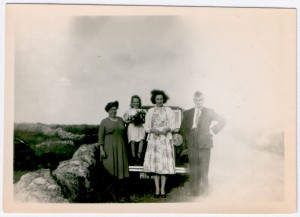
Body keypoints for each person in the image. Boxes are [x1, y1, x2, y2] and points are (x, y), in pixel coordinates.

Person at [180, 91, 226, 196]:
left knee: (204, 168)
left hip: (205, 142)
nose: (198, 102)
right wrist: (188, 138)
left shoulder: (209, 112)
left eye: (200, 100)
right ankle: (194, 193)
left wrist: (212, 130)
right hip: (192, 143)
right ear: (193, 100)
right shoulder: (188, 112)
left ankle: (205, 193)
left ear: (203, 100)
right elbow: (182, 128)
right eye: (196, 100)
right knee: (194, 167)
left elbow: (223, 120)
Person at [143, 89, 178, 198]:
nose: (159, 101)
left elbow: (175, 125)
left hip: (165, 140)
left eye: (161, 99)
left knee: (164, 166)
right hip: (154, 140)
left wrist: (168, 128)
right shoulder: (150, 111)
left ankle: (163, 189)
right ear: (154, 100)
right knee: (155, 166)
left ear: (164, 99)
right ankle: (156, 189)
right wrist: (152, 130)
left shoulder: (168, 110)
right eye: (157, 99)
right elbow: (146, 127)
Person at [98, 101, 129, 196]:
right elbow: (100, 137)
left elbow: (128, 124)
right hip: (109, 148)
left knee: (120, 168)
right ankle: (110, 192)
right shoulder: (104, 122)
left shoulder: (120, 120)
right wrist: (101, 150)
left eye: (115, 109)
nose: (114, 111)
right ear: (108, 111)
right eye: (111, 109)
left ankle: (120, 191)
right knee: (110, 168)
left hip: (120, 147)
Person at [123, 95, 146, 165]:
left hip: (139, 127)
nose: (136, 104)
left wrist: (141, 120)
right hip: (132, 127)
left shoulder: (142, 111)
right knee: (132, 140)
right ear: (132, 103)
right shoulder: (129, 111)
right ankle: (133, 155)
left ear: (139, 103)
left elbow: (145, 120)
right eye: (134, 102)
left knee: (141, 139)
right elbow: (125, 120)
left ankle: (139, 154)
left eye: (137, 102)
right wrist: (131, 121)